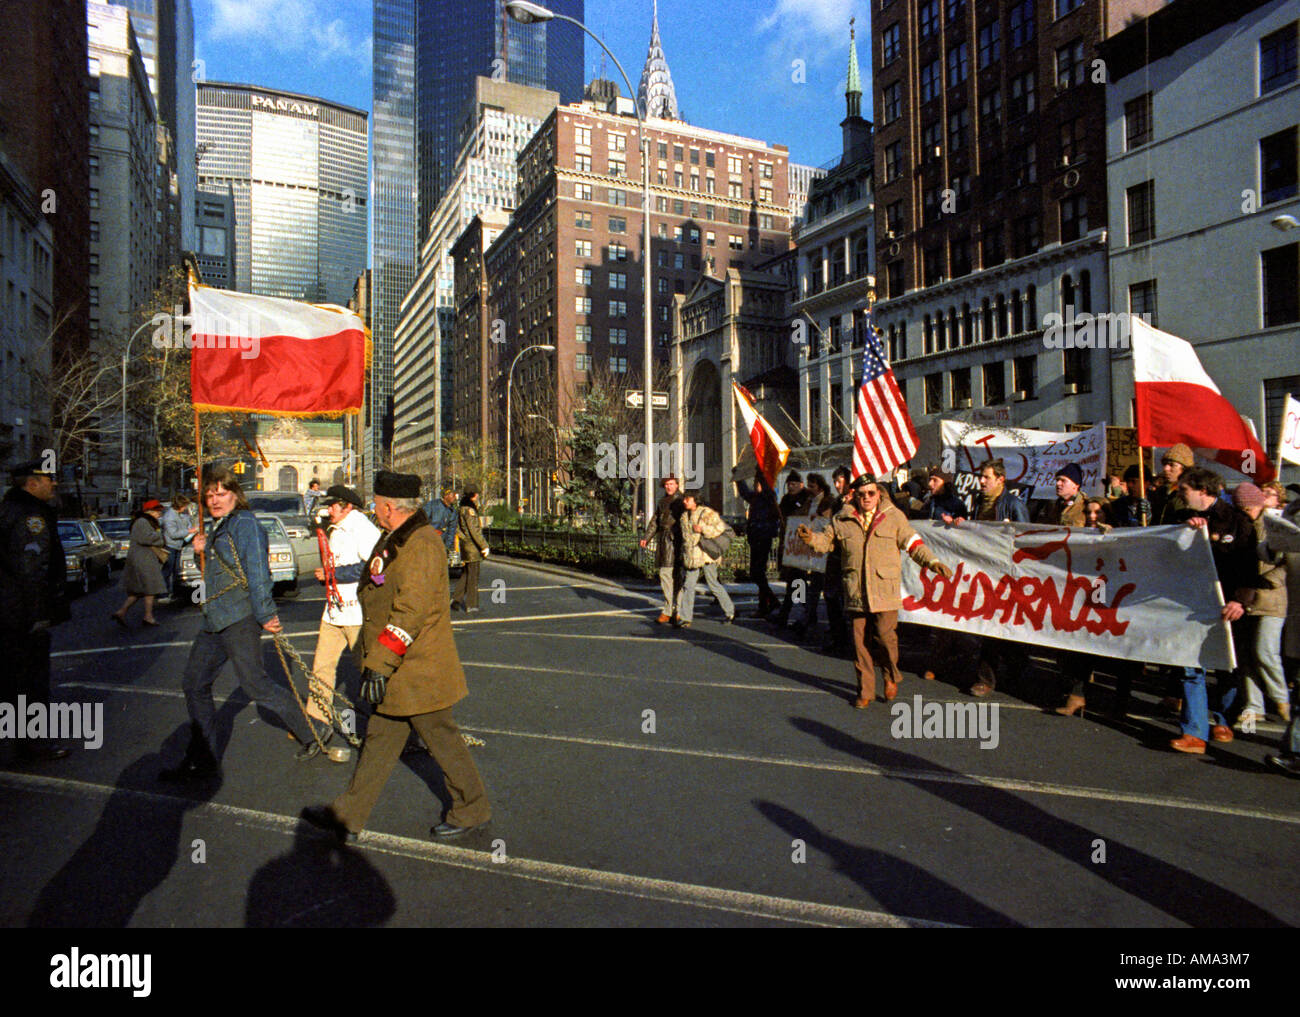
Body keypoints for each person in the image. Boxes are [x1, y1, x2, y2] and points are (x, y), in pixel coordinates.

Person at [302, 470, 491, 841]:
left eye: (375, 503)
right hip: (402, 669)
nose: (372, 508)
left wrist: (380, 664)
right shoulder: (399, 537)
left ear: (389, 506)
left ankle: (472, 809)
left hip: (416, 668)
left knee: (443, 740)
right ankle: (348, 815)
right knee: (380, 741)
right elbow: (377, 583)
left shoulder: (420, 543)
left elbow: (411, 611)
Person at [160, 466, 332, 782]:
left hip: (239, 617)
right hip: (216, 618)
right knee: (194, 683)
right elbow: (221, 565)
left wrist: (266, 614)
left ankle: (315, 730)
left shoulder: (245, 523)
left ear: (235, 495)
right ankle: (203, 757)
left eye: (221, 493)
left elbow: (257, 572)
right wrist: (201, 548)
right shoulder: (219, 525)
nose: (214, 500)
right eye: (209, 494)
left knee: (256, 685)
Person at [799, 475, 954, 708]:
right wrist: (810, 538)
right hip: (856, 590)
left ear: (879, 493)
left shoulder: (893, 517)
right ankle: (866, 690)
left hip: (885, 590)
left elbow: (913, 544)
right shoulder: (842, 518)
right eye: (862, 494)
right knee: (860, 643)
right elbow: (826, 542)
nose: (867, 498)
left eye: (871, 493)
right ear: (855, 496)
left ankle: (891, 675)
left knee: (885, 638)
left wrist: (931, 562)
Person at [1170, 467, 1260, 754]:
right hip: (1193, 604)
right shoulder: (1181, 520)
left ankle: (1223, 719)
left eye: (1185, 491)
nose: (1181, 496)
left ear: (1204, 491)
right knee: (1191, 666)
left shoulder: (1238, 523)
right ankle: (1194, 732)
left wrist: (1240, 601)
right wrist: (1185, 527)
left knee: (1226, 666)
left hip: (1226, 605)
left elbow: (1249, 566)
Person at [0, 460, 70, 761]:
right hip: (24, 613)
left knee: (10, 679)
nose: (53, 484)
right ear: (32, 483)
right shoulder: (31, 516)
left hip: (8, 612)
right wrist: (40, 614)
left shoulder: (6, 509)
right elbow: (33, 568)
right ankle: (34, 743)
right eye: (48, 479)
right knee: (32, 681)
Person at [309, 484, 382, 730]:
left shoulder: (362, 528)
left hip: (357, 613)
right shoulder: (336, 528)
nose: (329, 510)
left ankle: (392, 722)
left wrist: (333, 574)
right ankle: (318, 722)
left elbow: (372, 567)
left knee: (370, 670)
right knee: (322, 668)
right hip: (333, 611)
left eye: (333, 506)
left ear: (348, 506)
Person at [953, 459, 1028, 697]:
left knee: (1001, 627)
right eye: (981, 476)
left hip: (1007, 576)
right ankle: (989, 677)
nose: (981, 481)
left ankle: (1005, 672)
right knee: (990, 625)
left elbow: (1027, 537)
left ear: (1000, 479)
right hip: (985, 574)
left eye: (986, 477)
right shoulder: (977, 503)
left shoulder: (1013, 504)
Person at [1232, 483, 1290, 728]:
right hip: (1247, 597)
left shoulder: (1278, 526)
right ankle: (1254, 706)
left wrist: (1268, 581)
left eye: (1269, 493)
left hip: (1271, 598)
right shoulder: (1244, 525)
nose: (1264, 496)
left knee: (1265, 650)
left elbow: (1289, 560)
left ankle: (1281, 698)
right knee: (1246, 655)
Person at [675, 489, 735, 628]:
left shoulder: (707, 512)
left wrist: (703, 529)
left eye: (687, 499)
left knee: (713, 583)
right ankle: (685, 617)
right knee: (688, 585)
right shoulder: (684, 516)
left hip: (706, 554)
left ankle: (730, 611)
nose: (684, 501)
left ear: (695, 500)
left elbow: (719, 529)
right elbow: (686, 539)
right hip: (692, 556)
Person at [111, 499, 167, 627]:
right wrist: (161, 537)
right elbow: (146, 538)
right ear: (149, 511)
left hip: (144, 558)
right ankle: (148, 616)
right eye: (157, 510)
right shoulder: (142, 522)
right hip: (143, 559)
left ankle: (122, 611)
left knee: (140, 590)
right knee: (149, 588)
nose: (160, 513)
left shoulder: (146, 522)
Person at [640, 474, 685, 623]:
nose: (669, 486)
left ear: (677, 485)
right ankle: (667, 609)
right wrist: (646, 537)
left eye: (672, 484)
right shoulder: (662, 501)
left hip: (678, 542)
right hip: (665, 542)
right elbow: (655, 521)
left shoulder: (682, 501)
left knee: (678, 577)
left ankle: (678, 610)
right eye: (666, 484)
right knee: (665, 575)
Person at [734, 470, 780, 617]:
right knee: (758, 573)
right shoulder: (756, 498)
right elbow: (744, 492)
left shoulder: (768, 497)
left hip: (763, 537)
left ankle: (771, 601)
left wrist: (761, 472)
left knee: (757, 573)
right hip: (755, 538)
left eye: (757, 483)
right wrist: (738, 477)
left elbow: (765, 489)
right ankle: (765, 605)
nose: (755, 486)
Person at [773, 471, 811, 626]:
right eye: (789, 484)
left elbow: (802, 517)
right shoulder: (785, 499)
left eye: (794, 484)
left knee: (798, 579)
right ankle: (800, 612)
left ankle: (802, 612)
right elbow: (781, 517)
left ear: (801, 485)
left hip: (800, 545)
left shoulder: (806, 499)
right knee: (793, 580)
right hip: (788, 545)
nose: (791, 487)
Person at [451, 484, 488, 613]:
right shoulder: (470, 510)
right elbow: (474, 531)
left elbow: (458, 528)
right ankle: (471, 604)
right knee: (473, 576)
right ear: (474, 495)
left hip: (465, 545)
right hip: (472, 547)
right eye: (476, 494)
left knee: (466, 574)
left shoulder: (461, 508)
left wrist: (463, 539)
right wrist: (484, 546)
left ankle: (456, 598)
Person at [1148, 443, 1194, 524]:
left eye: (1172, 465)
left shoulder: (1192, 494)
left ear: (1184, 469)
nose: (1166, 468)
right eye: (1165, 464)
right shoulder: (1161, 491)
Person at [159, 496, 194, 595]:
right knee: (167, 570)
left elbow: (188, 523)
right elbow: (173, 534)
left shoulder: (181, 514)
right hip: (170, 546)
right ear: (180, 505)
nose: (186, 508)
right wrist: (189, 531)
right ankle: (163, 593)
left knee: (177, 570)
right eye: (185, 506)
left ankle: (176, 592)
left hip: (179, 545)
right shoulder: (170, 517)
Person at [426, 485, 458, 557]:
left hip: (441, 545)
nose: (454, 497)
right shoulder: (432, 505)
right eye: (452, 495)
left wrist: (446, 547)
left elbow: (451, 530)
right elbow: (422, 522)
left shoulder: (453, 511)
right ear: (446, 496)